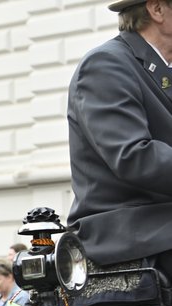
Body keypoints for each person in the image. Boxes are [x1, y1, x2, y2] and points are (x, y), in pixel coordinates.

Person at [67, 0, 172, 280]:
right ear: (157, 9)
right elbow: (133, 156)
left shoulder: (165, 69)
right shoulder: (106, 63)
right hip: (129, 229)